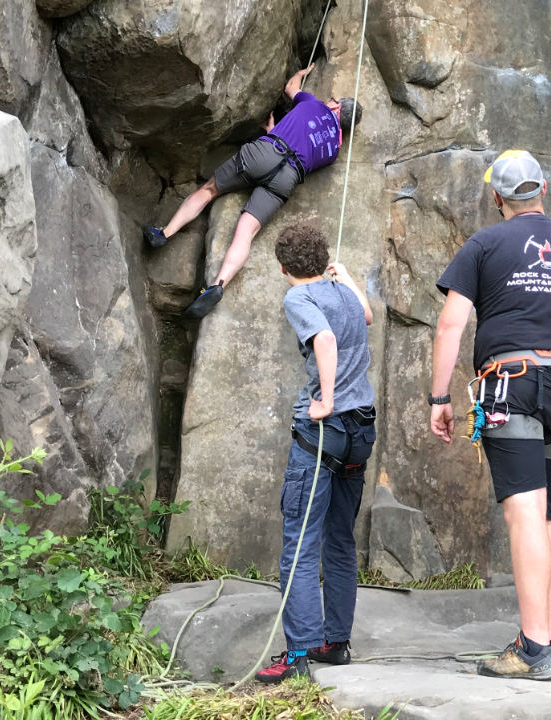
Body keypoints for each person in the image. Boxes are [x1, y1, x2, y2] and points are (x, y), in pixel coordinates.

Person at [428, 149, 551, 680]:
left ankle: (534, 648)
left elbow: (450, 325)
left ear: (497, 197)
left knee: (524, 511)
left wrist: (441, 398)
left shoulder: (484, 243)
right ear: (544, 189)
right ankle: (548, 639)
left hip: (511, 385)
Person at [254, 223, 376, 683]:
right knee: (339, 538)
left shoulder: (297, 298)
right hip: (361, 429)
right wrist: (345, 278)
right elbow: (366, 317)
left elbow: (323, 340)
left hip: (323, 433)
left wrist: (324, 398)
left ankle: (299, 652)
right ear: (323, 260)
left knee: (300, 544)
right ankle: (335, 641)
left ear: (284, 269)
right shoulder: (341, 291)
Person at [143, 67, 364, 319]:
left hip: (265, 153)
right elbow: (304, 151)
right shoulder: (334, 150)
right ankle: (217, 285)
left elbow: (291, 87)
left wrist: (302, 73)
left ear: (336, 107)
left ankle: (164, 233)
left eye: (333, 100)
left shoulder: (313, 104)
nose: (329, 101)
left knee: (209, 189)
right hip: (286, 178)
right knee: (246, 231)